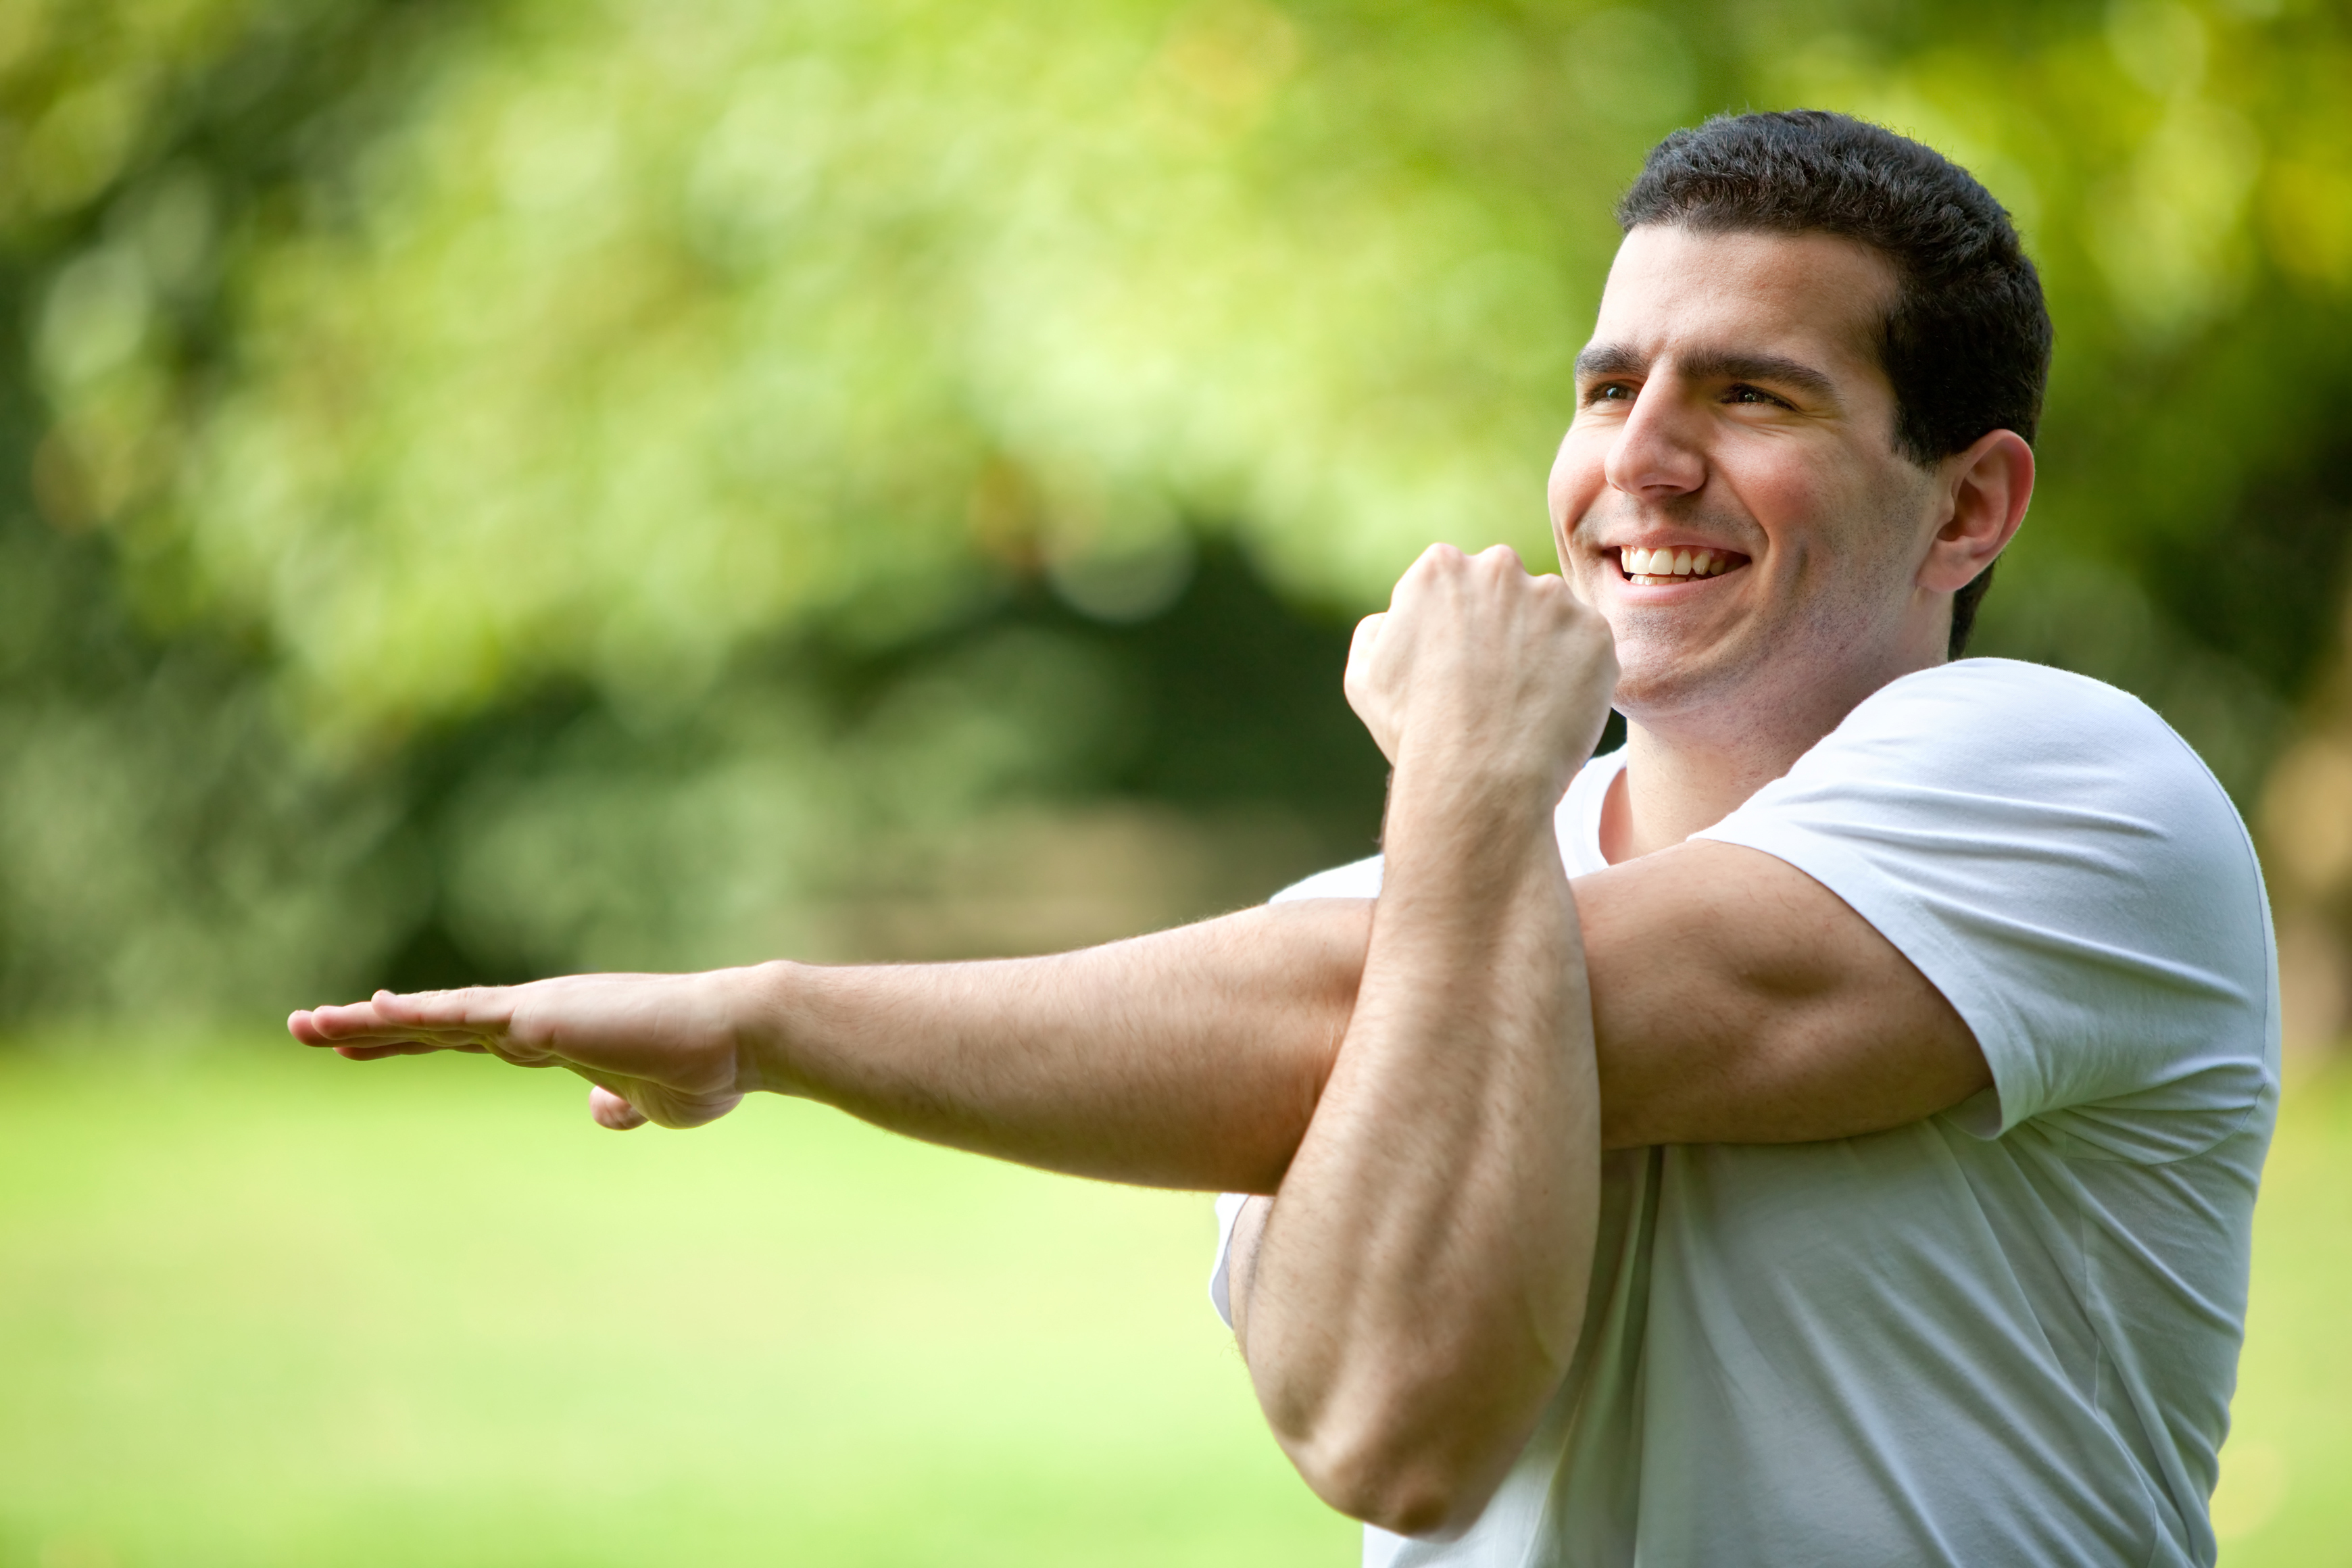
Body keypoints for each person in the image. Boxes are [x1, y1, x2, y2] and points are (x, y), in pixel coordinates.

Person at [289, 111, 2278, 1566]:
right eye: (1607, 386)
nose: (1639, 458)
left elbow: (1430, 1000)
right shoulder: (1401, 918)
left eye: (1753, 391)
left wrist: (775, 1017)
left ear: (1968, 509)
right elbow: (1386, 1435)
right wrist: (1469, 834)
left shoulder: (2068, 785)